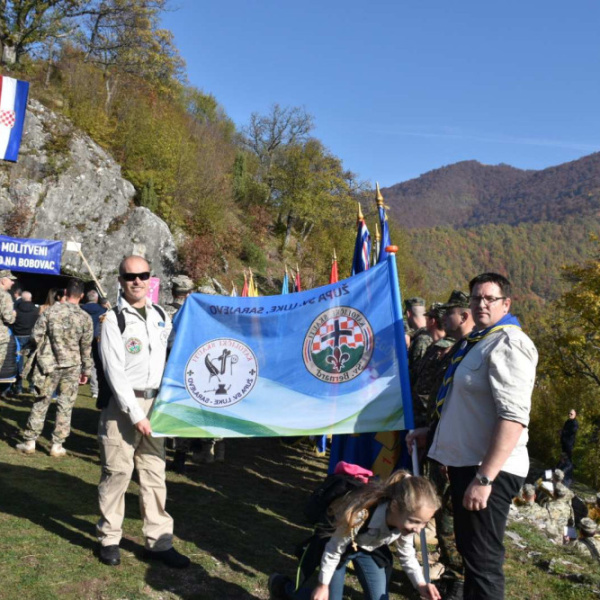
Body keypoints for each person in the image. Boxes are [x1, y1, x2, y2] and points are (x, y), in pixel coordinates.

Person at [408, 272, 538, 600]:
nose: (481, 303)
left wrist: (485, 477)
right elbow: (466, 404)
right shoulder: (480, 341)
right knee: (471, 554)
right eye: (476, 297)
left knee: (482, 560)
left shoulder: (509, 342)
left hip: (490, 469)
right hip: (468, 464)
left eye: (489, 298)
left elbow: (513, 417)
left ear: (505, 303)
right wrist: (432, 432)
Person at [96, 255, 189, 569]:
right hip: (124, 407)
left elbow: (178, 350)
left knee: (154, 473)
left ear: (150, 279)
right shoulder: (113, 320)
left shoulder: (161, 315)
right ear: (120, 280)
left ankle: (159, 543)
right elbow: (114, 372)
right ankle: (109, 538)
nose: (137, 281)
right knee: (117, 473)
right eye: (130, 276)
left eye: (142, 275)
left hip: (157, 403)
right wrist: (136, 414)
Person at [268, 471, 441, 600]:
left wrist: (420, 584)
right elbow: (334, 549)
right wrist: (323, 585)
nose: (419, 529)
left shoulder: (406, 525)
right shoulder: (361, 514)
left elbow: (407, 555)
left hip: (371, 549)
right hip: (340, 548)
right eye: (415, 522)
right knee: (325, 596)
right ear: (395, 507)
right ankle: (284, 587)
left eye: (424, 523)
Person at [15, 279, 93, 457]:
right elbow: (86, 347)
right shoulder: (85, 318)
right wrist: (86, 371)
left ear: (65, 292)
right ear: (81, 295)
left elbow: (36, 335)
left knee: (41, 401)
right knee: (66, 405)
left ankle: (30, 441)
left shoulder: (50, 311)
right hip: (72, 365)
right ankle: (57, 445)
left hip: (49, 363)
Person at [80, 289, 107, 400]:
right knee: (96, 365)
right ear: (96, 299)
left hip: (82, 338)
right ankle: (95, 390)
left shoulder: (80, 309)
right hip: (96, 339)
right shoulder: (103, 310)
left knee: (79, 361)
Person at [12, 291, 39, 394]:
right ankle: (32, 385)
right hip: (31, 338)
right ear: (31, 299)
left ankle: (18, 387)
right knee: (32, 362)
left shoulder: (16, 310)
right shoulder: (36, 310)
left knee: (18, 362)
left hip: (18, 337)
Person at [0, 270, 16, 371]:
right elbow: (8, 318)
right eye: (10, 280)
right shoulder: (5, 296)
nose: (13, 282)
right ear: (2, 281)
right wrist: (13, 315)